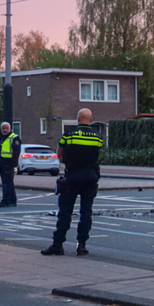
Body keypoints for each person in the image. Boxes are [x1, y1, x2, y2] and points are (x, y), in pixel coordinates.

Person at [42, 109, 103, 256]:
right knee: (86, 212)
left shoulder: (69, 135)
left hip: (73, 177)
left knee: (65, 212)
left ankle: (58, 244)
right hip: (90, 177)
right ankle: (81, 245)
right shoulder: (98, 137)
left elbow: (59, 154)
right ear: (91, 119)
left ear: (78, 119)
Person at [0, 122, 21, 207]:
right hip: (3, 163)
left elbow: (16, 151)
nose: (5, 130)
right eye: (3, 128)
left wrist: (14, 163)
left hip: (8, 163)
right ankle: (12, 200)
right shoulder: (1, 138)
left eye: (6, 128)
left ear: (10, 128)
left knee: (6, 183)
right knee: (9, 182)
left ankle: (6, 201)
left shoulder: (14, 138)